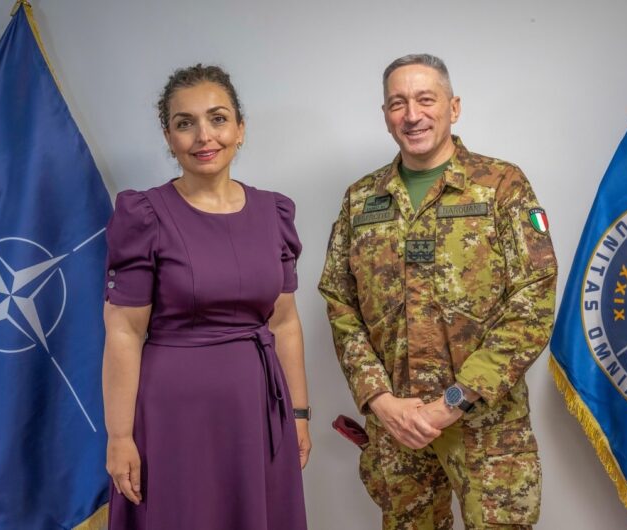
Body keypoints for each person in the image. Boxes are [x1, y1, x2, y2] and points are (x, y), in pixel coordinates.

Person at [319, 54, 557, 529]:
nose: (412, 115)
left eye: (426, 99)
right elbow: (340, 304)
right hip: (398, 427)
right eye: (398, 103)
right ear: (385, 114)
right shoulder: (361, 200)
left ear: (454, 107)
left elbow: (534, 300)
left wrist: (453, 401)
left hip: (485, 424)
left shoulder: (501, 186)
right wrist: (379, 399)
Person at [102, 64, 310, 530]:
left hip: (259, 409)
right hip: (172, 414)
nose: (204, 136)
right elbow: (124, 331)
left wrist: (298, 412)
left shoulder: (274, 212)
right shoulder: (144, 215)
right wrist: (119, 436)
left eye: (217, 118)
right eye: (185, 123)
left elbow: (284, 322)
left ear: (240, 128)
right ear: (168, 136)